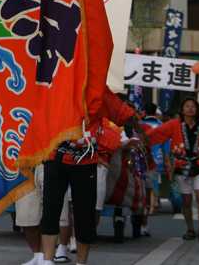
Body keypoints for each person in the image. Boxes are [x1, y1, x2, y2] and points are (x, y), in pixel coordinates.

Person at [39, 89, 135, 265]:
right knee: (51, 210)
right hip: (55, 157)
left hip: (85, 161)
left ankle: (81, 262)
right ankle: (47, 260)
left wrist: (123, 137)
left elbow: (121, 115)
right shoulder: (56, 77)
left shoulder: (97, 86)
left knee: (85, 215)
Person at [147, 97, 199, 242]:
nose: (190, 109)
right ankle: (190, 229)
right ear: (182, 109)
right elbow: (158, 133)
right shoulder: (174, 124)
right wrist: (143, 139)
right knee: (186, 201)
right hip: (182, 166)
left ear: (196, 109)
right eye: (187, 106)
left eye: (193, 106)